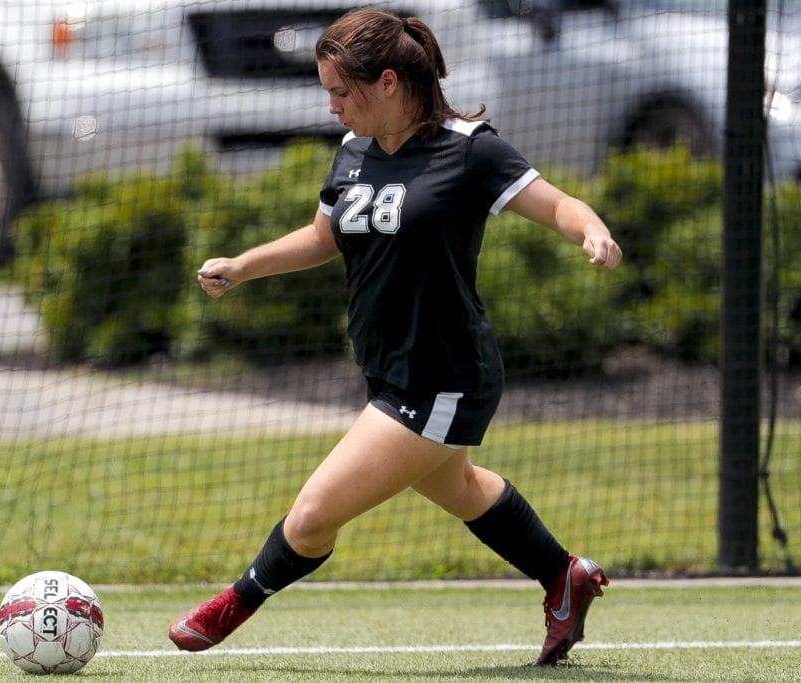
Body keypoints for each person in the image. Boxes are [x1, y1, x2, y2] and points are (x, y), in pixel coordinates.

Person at [169, 8, 621, 665]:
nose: (331, 106)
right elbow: (323, 236)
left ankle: (230, 606)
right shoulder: (353, 151)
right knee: (461, 489)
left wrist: (592, 232)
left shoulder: (469, 148)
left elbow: (555, 202)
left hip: (443, 374)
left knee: (314, 513)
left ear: (387, 82)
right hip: (391, 369)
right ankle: (564, 575)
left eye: (339, 91)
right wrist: (243, 266)